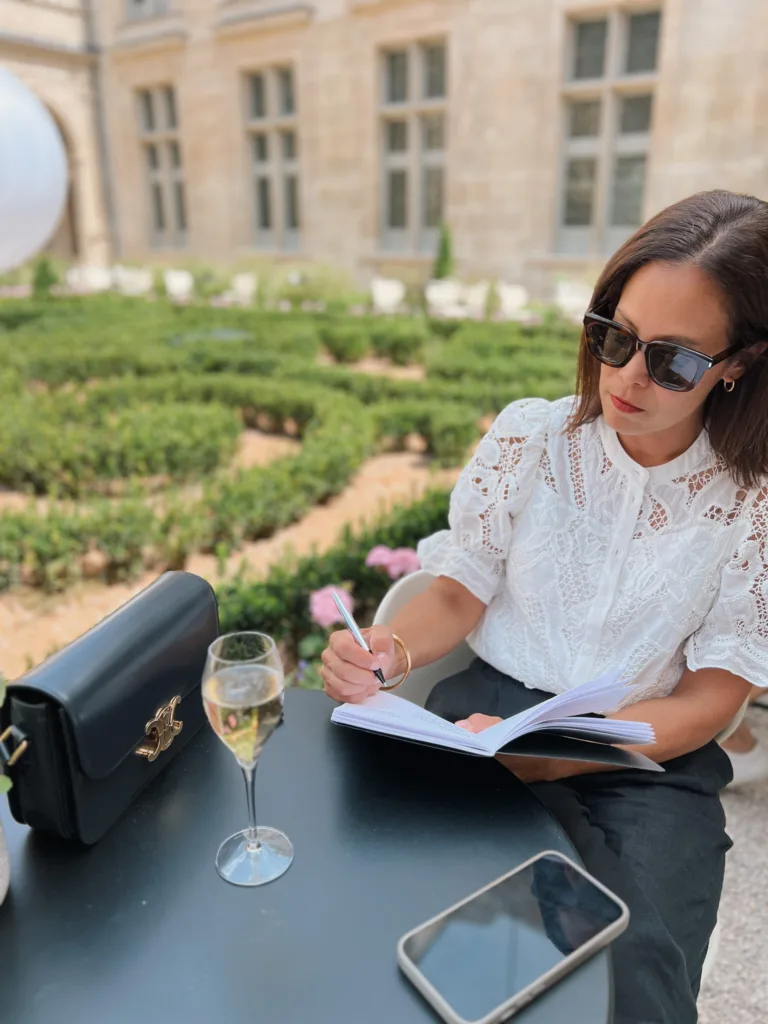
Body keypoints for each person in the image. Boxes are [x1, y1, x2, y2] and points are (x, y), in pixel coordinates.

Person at [321, 190, 768, 1024]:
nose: (630, 376)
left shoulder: (751, 506)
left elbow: (714, 697)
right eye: (616, 337)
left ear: (737, 363)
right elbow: (458, 590)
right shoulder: (533, 438)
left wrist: (568, 751)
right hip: (486, 724)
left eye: (672, 360)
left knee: (631, 977)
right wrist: (387, 651)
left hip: (648, 756)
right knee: (432, 949)